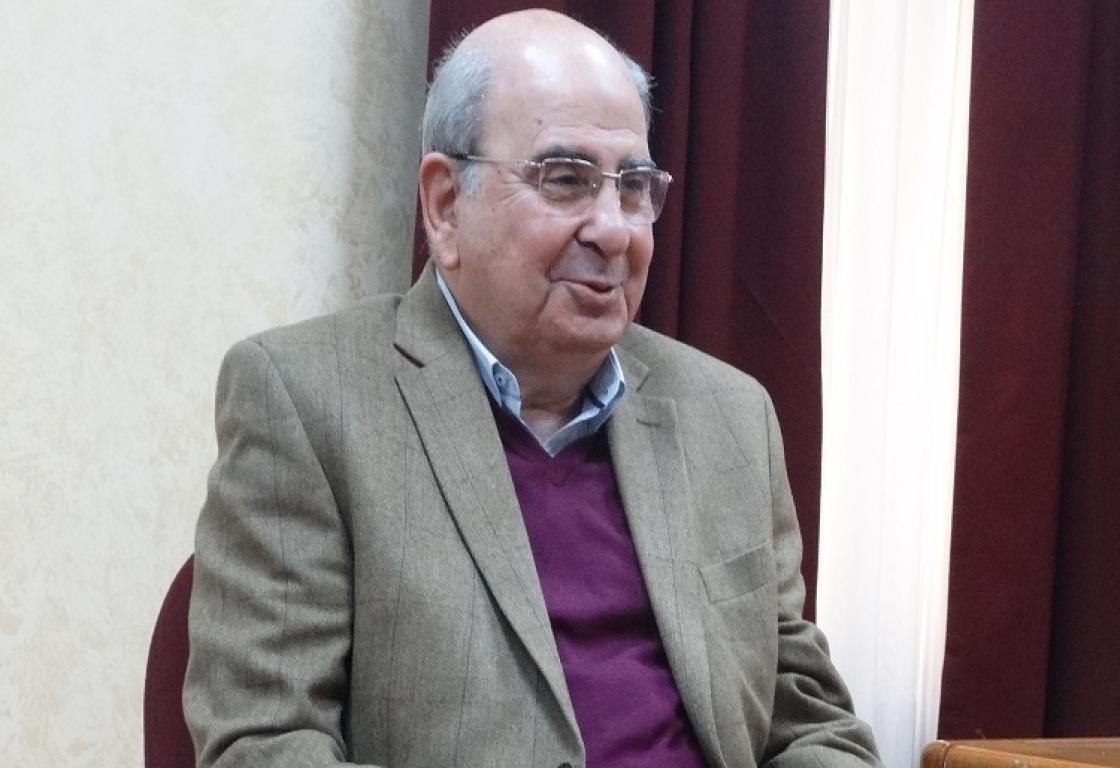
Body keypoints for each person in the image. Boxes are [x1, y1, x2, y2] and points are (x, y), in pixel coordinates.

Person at [184, 9, 881, 768]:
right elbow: (266, 744)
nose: (614, 230)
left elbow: (811, 727)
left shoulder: (729, 415)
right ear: (446, 205)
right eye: (566, 180)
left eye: (634, 187)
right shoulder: (307, 400)